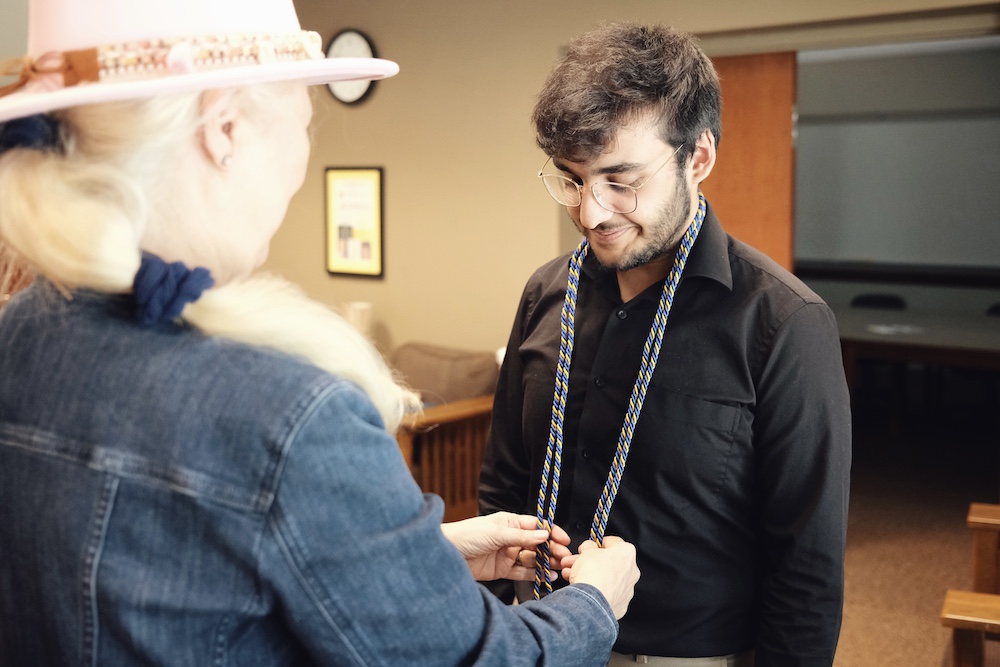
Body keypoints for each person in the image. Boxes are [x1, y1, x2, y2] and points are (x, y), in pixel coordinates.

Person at [0, 1, 641, 664]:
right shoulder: (289, 416)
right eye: (305, 121)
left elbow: (172, 572)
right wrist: (593, 600)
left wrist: (414, 554)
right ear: (224, 128)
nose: (304, 158)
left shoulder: (18, 336)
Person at [479, 22, 852, 667]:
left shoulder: (783, 322)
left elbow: (807, 561)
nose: (591, 212)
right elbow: (505, 479)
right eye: (572, 179)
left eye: (622, 180)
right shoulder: (547, 292)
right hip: (539, 636)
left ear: (698, 158)